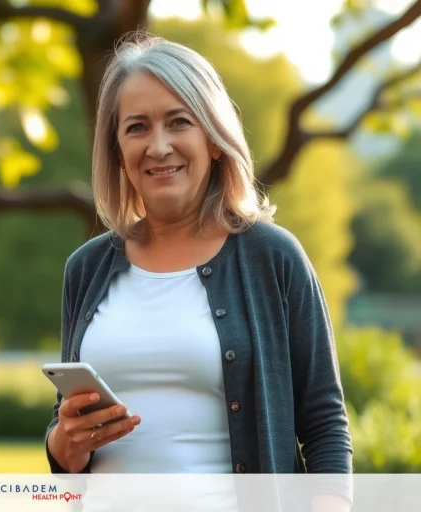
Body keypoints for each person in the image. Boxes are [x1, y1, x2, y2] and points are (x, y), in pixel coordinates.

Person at [44, 32, 353, 511]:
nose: (159, 146)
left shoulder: (273, 257)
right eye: (137, 127)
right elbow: (65, 454)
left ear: (213, 139)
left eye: (178, 121)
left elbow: (324, 423)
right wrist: (65, 443)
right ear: (118, 152)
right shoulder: (86, 269)